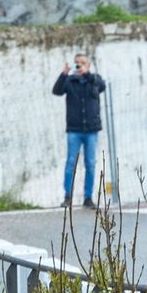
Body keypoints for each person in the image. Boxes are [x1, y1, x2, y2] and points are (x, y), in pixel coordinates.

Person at [52, 53, 106, 209]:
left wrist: (87, 74)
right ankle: (67, 196)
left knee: (90, 163)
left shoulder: (95, 79)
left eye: (82, 63)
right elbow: (56, 91)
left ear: (88, 65)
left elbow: (102, 86)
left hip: (91, 130)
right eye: (77, 63)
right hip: (74, 130)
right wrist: (63, 74)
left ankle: (88, 197)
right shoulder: (69, 81)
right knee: (71, 163)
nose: (79, 66)